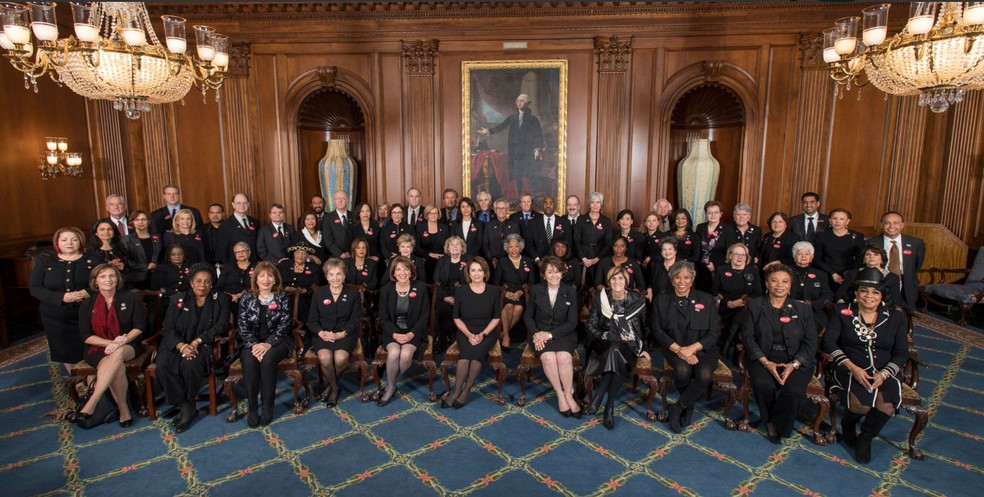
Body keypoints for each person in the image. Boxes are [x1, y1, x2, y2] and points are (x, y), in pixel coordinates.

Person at [823, 267, 909, 464]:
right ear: (856, 293)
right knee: (860, 406)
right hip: (850, 367)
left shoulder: (896, 317)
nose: (869, 296)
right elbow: (829, 342)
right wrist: (852, 367)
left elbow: (902, 352)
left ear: (882, 296)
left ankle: (866, 438)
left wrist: (885, 374)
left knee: (886, 405)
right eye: (864, 291)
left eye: (875, 292)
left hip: (885, 370)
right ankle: (848, 423)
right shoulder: (842, 312)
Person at [741, 264, 817, 443]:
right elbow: (748, 338)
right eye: (774, 281)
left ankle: (779, 423)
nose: (779, 285)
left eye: (785, 281)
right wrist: (766, 362)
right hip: (763, 357)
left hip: (795, 359)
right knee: (763, 385)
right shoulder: (755, 305)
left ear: (790, 286)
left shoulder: (803, 309)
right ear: (767, 283)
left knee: (793, 391)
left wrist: (795, 364)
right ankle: (769, 422)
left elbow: (811, 342)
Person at [156, 265, 230, 432]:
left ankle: (186, 407)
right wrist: (182, 346)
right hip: (176, 343)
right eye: (198, 281)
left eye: (207, 281)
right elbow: (168, 327)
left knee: (189, 365)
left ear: (212, 284)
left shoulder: (220, 299)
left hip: (203, 344)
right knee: (163, 365)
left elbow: (222, 325)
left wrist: (197, 342)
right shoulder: (178, 300)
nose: (202, 285)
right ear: (191, 283)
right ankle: (186, 405)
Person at [651, 261, 719, 433]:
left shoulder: (706, 299)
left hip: (703, 348)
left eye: (686, 278)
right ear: (672, 280)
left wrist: (692, 349)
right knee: (682, 371)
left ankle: (679, 407)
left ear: (692, 279)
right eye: (678, 277)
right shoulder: (661, 300)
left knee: (704, 375)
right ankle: (688, 407)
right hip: (674, 348)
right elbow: (658, 331)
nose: (682, 281)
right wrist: (681, 350)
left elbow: (714, 332)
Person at [76, 264, 146, 428]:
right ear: (95, 281)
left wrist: (121, 341)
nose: (108, 280)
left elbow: (140, 327)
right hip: (97, 348)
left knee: (118, 353)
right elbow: (86, 336)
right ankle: (124, 409)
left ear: (118, 279)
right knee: (117, 366)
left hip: (128, 344)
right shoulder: (87, 304)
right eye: (103, 276)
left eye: (112, 276)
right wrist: (111, 343)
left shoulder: (130, 298)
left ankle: (94, 399)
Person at [585, 266, 650, 429]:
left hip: (629, 343)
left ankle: (599, 399)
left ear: (626, 281)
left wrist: (645, 349)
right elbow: (591, 324)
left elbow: (645, 326)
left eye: (621, 278)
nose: (617, 282)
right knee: (614, 349)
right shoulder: (602, 298)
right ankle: (609, 406)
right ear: (609, 282)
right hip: (604, 342)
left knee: (616, 352)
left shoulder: (637, 299)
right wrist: (604, 335)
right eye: (613, 278)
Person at [30, 227, 98, 373]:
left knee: (90, 349)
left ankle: (92, 377)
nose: (69, 243)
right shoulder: (44, 261)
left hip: (88, 313)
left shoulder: (93, 259)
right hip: (55, 316)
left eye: (74, 239)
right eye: (64, 239)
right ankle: (77, 381)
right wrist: (61, 297)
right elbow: (35, 288)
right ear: (57, 243)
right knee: (65, 351)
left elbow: (108, 281)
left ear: (81, 241)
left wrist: (87, 292)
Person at [236, 261, 293, 427]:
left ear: (275, 279)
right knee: (249, 361)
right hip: (251, 342)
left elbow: (285, 325)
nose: (266, 279)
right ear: (256, 279)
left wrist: (268, 344)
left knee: (268, 361)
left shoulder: (282, 296)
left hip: (278, 341)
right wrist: (254, 344)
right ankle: (253, 408)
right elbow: (242, 325)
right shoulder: (247, 297)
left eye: (270, 276)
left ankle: (268, 407)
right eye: (262, 276)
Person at [524, 256, 581, 418]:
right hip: (539, 333)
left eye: (557, 272)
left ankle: (569, 395)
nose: (553, 275)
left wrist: (548, 335)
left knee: (564, 357)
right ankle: (560, 395)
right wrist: (536, 334)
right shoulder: (536, 289)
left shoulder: (570, 291)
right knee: (548, 358)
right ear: (544, 274)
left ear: (562, 273)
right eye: (550, 272)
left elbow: (572, 322)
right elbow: (528, 317)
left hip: (563, 334)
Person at [445, 257, 501, 408]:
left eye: (480, 270)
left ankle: (466, 390)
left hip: (487, 331)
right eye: (473, 270)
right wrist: (469, 335)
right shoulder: (461, 290)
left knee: (476, 354)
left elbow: (496, 318)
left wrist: (482, 335)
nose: (476, 274)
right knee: (465, 356)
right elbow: (456, 317)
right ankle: (456, 391)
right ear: (468, 273)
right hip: (465, 330)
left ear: (485, 272)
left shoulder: (494, 290)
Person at [307, 258, 362, 408]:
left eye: (339, 274)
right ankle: (335, 388)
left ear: (344, 276)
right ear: (326, 276)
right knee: (325, 358)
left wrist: (343, 334)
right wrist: (321, 333)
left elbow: (355, 319)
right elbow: (311, 320)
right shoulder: (319, 293)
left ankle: (329, 385)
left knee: (340, 359)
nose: (335, 278)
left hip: (345, 334)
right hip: (323, 334)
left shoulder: (353, 293)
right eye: (331, 274)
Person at [376, 256, 431, 406]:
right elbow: (383, 318)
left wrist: (411, 334)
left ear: (411, 271)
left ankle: (391, 383)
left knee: (406, 354)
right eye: (398, 269)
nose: (402, 272)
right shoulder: (386, 289)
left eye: (406, 269)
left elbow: (424, 315)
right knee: (394, 353)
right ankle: (391, 387)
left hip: (414, 331)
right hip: (392, 332)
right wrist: (395, 334)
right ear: (393, 273)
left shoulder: (420, 287)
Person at [477, 93, 545, 195]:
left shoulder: (533, 119)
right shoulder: (512, 118)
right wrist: (489, 131)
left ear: (527, 103)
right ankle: (519, 198)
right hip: (515, 153)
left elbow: (538, 135)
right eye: (518, 100)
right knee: (517, 175)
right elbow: (502, 126)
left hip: (528, 153)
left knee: (530, 175)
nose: (519, 102)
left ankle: (532, 198)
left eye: (522, 100)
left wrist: (538, 149)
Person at [865, 211, 925, 309]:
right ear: (881, 225)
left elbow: (917, 264)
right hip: (880, 283)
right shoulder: (870, 242)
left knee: (906, 316)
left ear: (902, 225)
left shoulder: (916, 243)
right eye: (887, 223)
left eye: (896, 223)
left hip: (907, 285)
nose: (891, 226)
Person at [713, 243, 761, 356]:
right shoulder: (721, 269)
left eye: (743, 255)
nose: (740, 257)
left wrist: (742, 301)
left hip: (746, 306)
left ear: (747, 257)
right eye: (736, 254)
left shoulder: (753, 271)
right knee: (744, 316)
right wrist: (728, 303)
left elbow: (758, 293)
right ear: (730, 256)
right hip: (726, 307)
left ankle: (726, 344)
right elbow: (715, 291)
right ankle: (732, 346)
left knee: (744, 313)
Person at [492, 234, 537, 350]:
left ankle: (502, 334)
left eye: (516, 246)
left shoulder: (528, 261)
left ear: (521, 247)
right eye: (510, 247)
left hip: (521, 293)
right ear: (507, 248)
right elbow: (496, 283)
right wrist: (506, 292)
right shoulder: (502, 262)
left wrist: (520, 292)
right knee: (508, 306)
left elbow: (532, 282)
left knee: (518, 308)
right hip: (506, 293)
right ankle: (506, 336)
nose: (513, 249)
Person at [813, 208, 864, 292]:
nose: (837, 221)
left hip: (849, 276)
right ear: (830, 220)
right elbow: (817, 259)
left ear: (847, 221)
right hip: (826, 274)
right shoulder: (821, 236)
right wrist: (832, 273)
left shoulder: (857, 236)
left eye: (841, 219)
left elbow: (860, 259)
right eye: (834, 218)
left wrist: (849, 275)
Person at [835, 246, 903, 308]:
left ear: (882, 259)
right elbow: (840, 294)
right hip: (854, 308)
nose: (871, 257)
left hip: (882, 310)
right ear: (864, 259)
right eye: (868, 254)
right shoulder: (853, 274)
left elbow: (895, 301)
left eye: (876, 254)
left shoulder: (892, 278)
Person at [433, 236, 469, 352]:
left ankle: (458, 338)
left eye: (457, 244)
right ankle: (442, 341)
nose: (454, 247)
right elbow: (437, 281)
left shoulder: (468, 260)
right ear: (447, 247)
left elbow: (471, 281)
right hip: (445, 294)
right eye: (451, 244)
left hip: (463, 294)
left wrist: (458, 297)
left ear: (462, 247)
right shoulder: (442, 261)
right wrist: (445, 297)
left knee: (462, 310)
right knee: (442, 309)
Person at [90, 220, 146, 289]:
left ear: (114, 232)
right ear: (96, 233)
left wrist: (123, 267)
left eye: (109, 229)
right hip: (102, 287)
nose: (106, 232)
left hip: (123, 286)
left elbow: (133, 267)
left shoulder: (121, 248)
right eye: (102, 229)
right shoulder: (90, 251)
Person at [278, 245, 323, 330]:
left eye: (304, 253)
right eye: (298, 252)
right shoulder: (284, 265)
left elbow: (316, 285)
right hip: (285, 294)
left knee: (300, 300)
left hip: (305, 296)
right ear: (293, 254)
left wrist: (305, 290)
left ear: (307, 255)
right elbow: (277, 282)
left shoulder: (314, 268)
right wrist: (285, 288)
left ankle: (302, 328)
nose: (300, 255)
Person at [790, 241, 833, 328]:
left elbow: (828, 295)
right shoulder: (785, 272)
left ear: (812, 257)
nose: (803, 257)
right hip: (789, 310)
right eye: (799, 254)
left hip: (813, 312)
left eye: (807, 254)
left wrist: (811, 305)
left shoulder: (821, 274)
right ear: (794, 257)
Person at [575, 192, 613, 286]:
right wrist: (583, 258)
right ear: (589, 204)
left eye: (598, 202)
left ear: (602, 204)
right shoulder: (581, 219)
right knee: (584, 287)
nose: (595, 205)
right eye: (592, 202)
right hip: (584, 257)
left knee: (599, 285)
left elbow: (608, 244)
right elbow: (576, 241)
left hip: (600, 256)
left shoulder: (606, 221)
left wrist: (596, 259)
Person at [216, 194, 260, 264]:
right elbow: (222, 251)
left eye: (244, 203)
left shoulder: (255, 222)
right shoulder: (225, 226)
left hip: (254, 264)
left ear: (248, 204)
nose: (242, 205)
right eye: (238, 203)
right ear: (233, 205)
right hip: (236, 266)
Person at [696, 201, 729, 292]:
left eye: (716, 212)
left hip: (717, 269)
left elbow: (730, 253)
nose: (712, 215)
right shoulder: (700, 227)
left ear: (721, 214)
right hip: (700, 269)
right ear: (706, 214)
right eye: (709, 212)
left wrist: (716, 265)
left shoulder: (728, 230)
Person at [529, 195, 572, 260]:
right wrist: (537, 260)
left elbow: (568, 243)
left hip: (559, 262)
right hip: (539, 263)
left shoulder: (565, 222)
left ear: (555, 206)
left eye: (551, 203)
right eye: (545, 203)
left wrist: (561, 261)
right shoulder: (533, 223)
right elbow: (529, 244)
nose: (548, 206)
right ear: (542, 206)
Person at [127, 210, 161, 290]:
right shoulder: (127, 239)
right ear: (132, 222)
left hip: (155, 277)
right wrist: (146, 266)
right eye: (137, 220)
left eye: (144, 219)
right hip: (136, 279)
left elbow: (160, 255)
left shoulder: (157, 237)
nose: (141, 222)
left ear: (149, 221)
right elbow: (126, 261)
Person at [415, 204, 449, 282]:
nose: (433, 215)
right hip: (425, 260)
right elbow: (417, 247)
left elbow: (448, 245)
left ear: (438, 214)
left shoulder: (444, 228)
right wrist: (429, 254)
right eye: (431, 213)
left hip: (442, 259)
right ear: (427, 214)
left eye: (435, 213)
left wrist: (443, 255)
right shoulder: (420, 227)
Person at [483, 198, 520, 263]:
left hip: (510, 262)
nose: (501, 210)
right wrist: (491, 257)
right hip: (492, 262)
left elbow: (517, 244)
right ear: (495, 210)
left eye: (503, 208)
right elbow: (485, 245)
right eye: (498, 208)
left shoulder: (514, 225)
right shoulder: (488, 226)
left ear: (507, 210)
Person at [322, 190, 354, 259]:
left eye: (343, 198)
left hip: (353, 256)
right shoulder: (327, 218)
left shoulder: (353, 216)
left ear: (347, 200)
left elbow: (357, 236)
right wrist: (340, 254)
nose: (340, 201)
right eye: (337, 198)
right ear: (334, 201)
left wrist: (351, 253)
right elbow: (327, 240)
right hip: (334, 257)